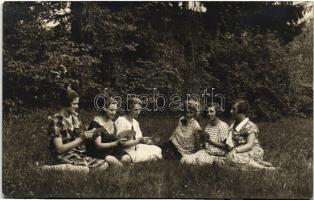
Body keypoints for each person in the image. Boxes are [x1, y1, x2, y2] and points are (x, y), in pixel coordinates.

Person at [45, 88, 108, 172]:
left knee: (104, 164)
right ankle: (47, 168)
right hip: (63, 155)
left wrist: (89, 134)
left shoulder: (75, 116)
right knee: (84, 169)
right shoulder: (56, 120)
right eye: (74, 104)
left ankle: (77, 168)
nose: (77, 107)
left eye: (77, 104)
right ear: (66, 103)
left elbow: (79, 135)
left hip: (77, 153)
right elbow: (59, 149)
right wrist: (81, 138)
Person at [225, 99, 276, 170]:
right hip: (242, 151)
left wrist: (235, 150)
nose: (231, 111)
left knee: (230, 159)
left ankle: (264, 168)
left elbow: (249, 145)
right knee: (225, 159)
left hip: (253, 150)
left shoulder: (250, 126)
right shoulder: (233, 124)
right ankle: (255, 164)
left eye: (234, 109)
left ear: (242, 112)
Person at [85, 96, 132, 167]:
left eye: (115, 110)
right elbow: (98, 146)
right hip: (98, 152)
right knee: (115, 162)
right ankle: (119, 168)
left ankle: (121, 166)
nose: (114, 113)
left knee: (127, 159)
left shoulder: (111, 121)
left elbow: (113, 138)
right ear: (104, 109)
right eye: (111, 110)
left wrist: (120, 140)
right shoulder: (96, 123)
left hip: (110, 149)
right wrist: (115, 143)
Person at [114, 97, 162, 163]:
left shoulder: (135, 122)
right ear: (129, 109)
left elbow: (140, 140)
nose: (139, 112)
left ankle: (144, 158)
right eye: (136, 110)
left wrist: (152, 141)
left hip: (136, 147)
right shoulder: (121, 120)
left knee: (158, 149)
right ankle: (144, 158)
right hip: (125, 150)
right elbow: (122, 144)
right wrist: (139, 141)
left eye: (139, 110)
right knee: (126, 158)